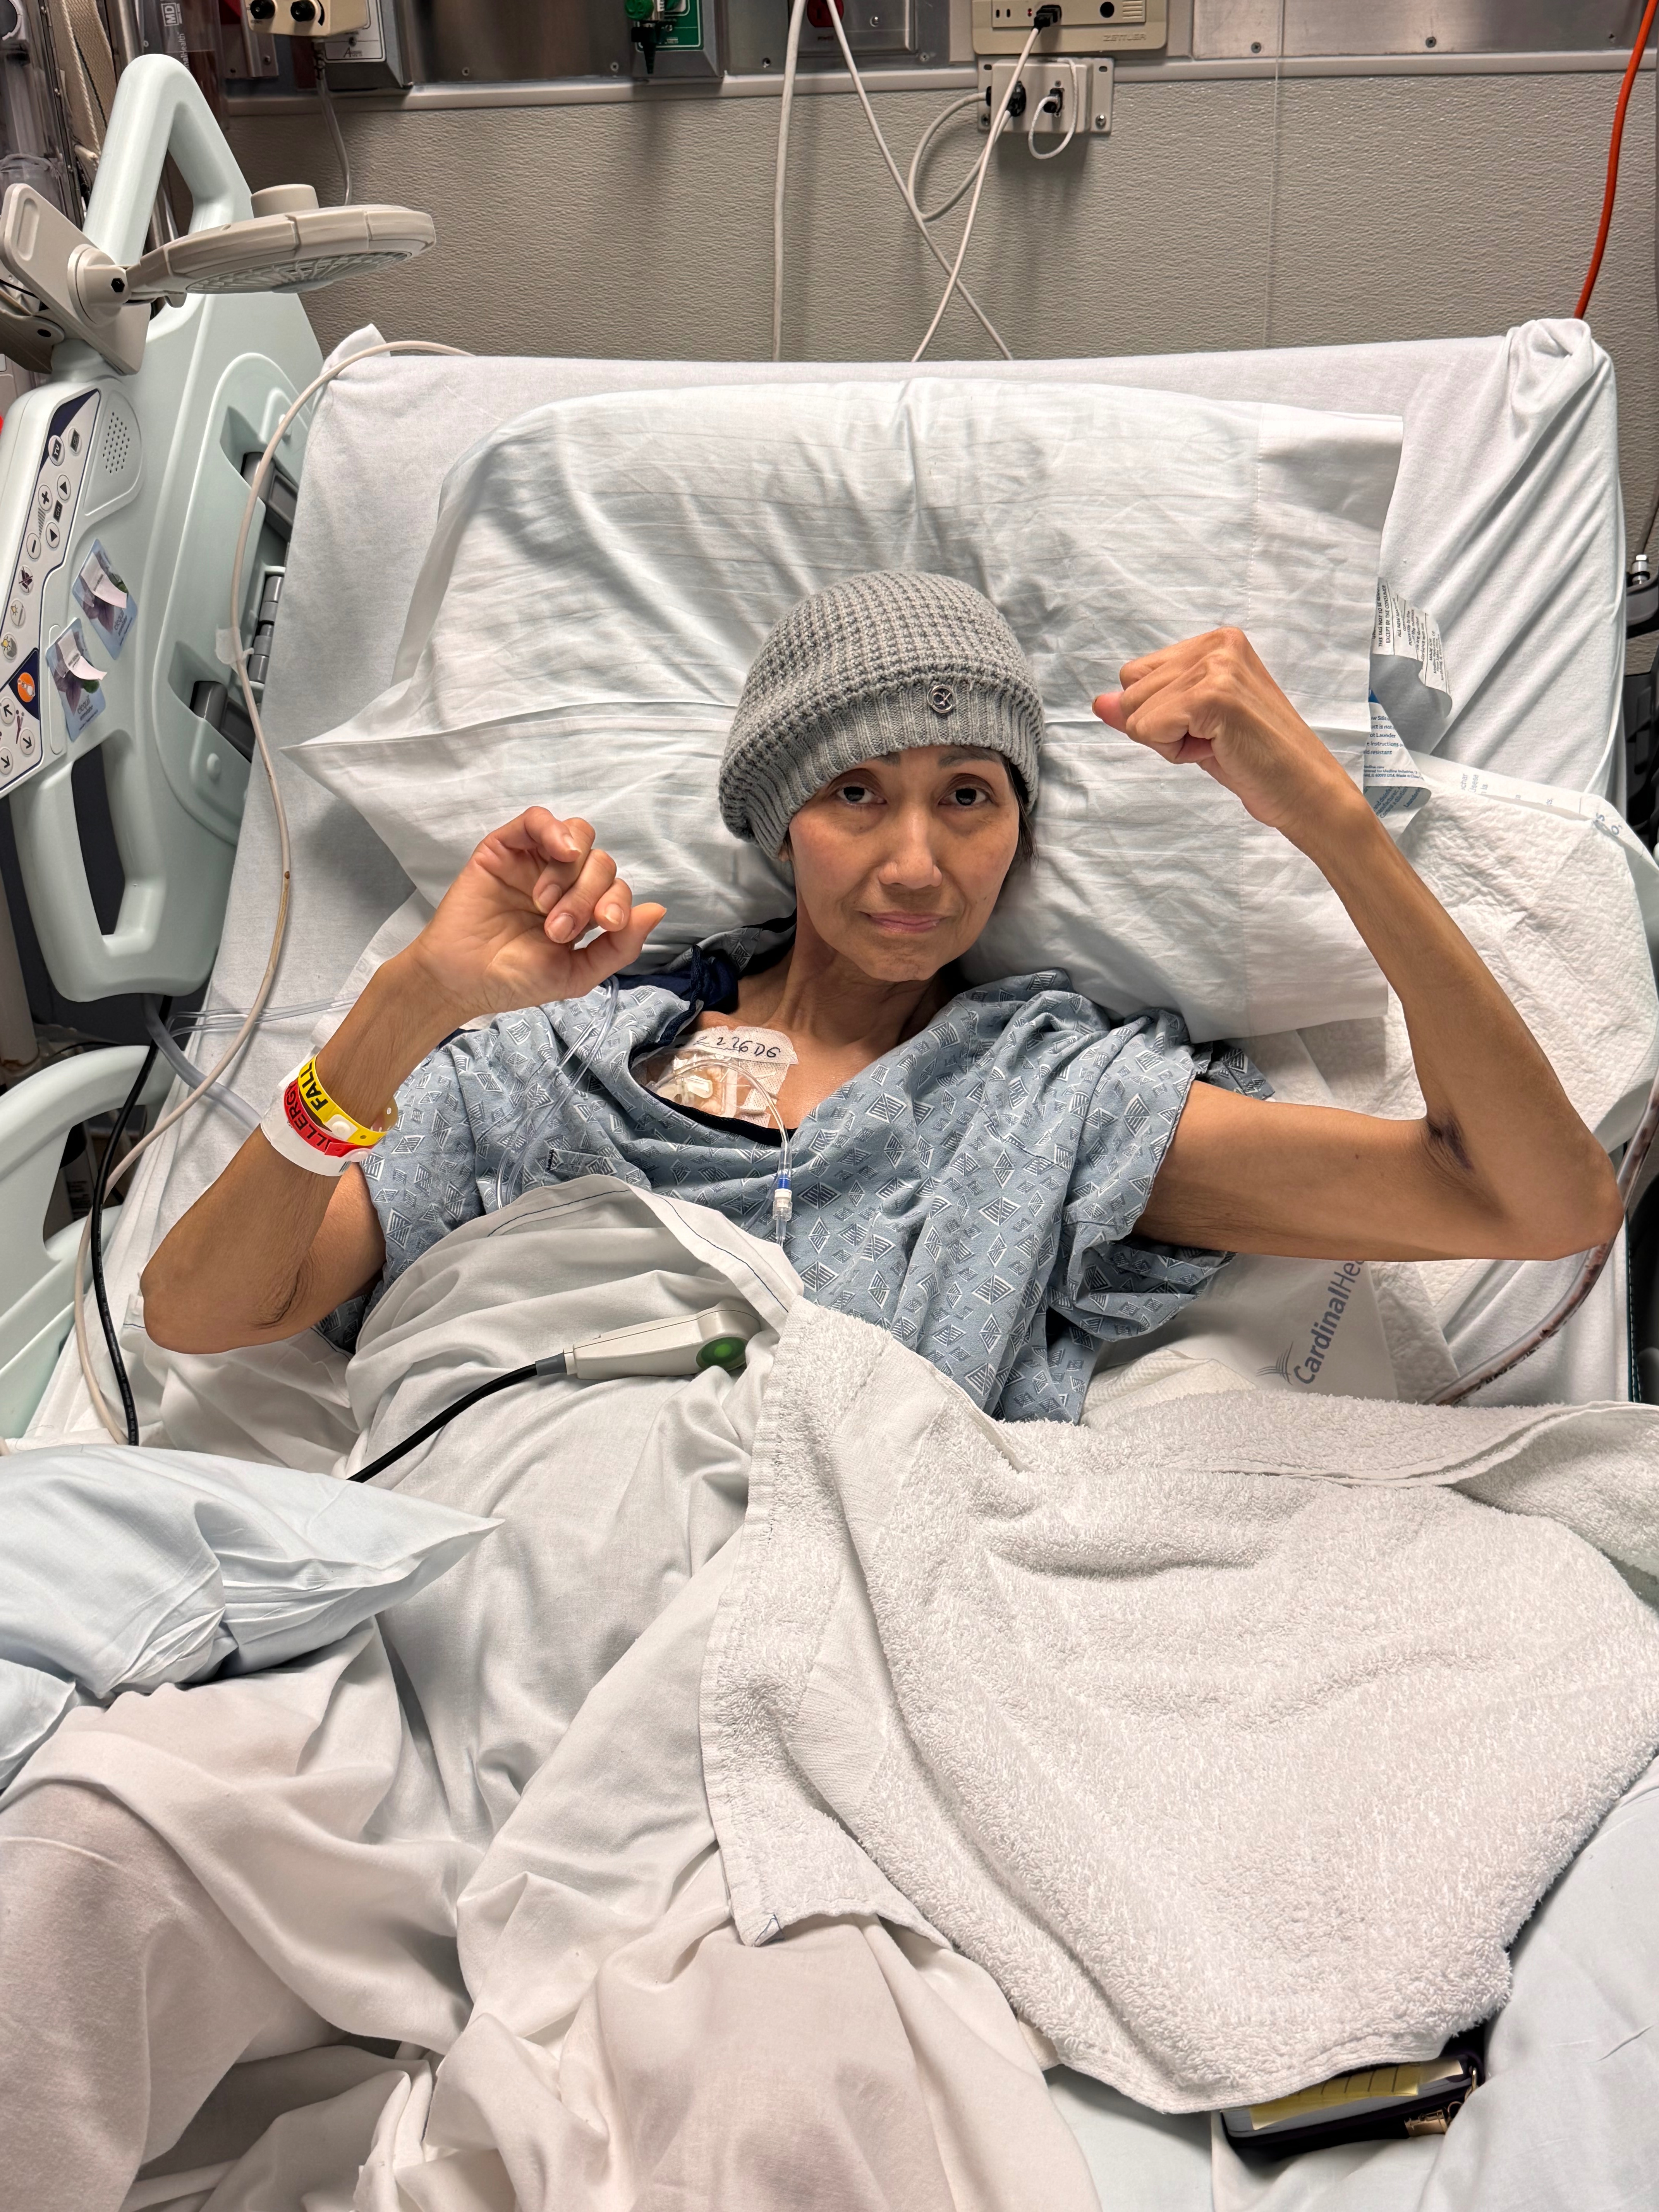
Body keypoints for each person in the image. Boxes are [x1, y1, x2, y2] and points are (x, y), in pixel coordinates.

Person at [141, 569, 1618, 1396]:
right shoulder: (553, 1062)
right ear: (777, 824)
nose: (915, 863)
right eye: (855, 792)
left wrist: (1332, 825)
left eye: (968, 794)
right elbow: (202, 1311)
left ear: (1019, 829)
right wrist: (408, 1005)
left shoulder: (1048, 1107)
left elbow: (1526, 1205)